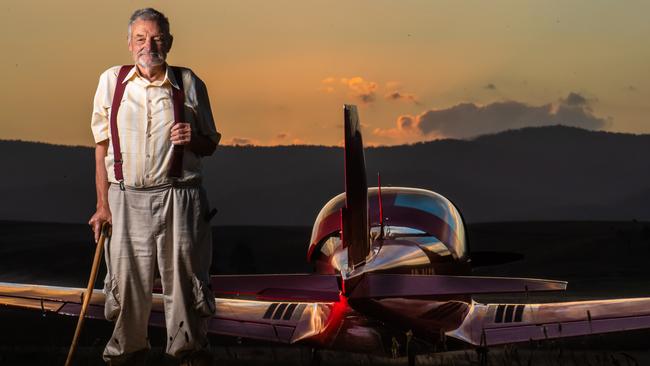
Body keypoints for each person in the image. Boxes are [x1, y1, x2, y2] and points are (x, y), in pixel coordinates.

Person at [87, 8, 220, 365]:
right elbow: (102, 148)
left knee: (185, 286)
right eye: (142, 38)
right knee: (126, 287)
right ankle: (126, 356)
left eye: (158, 37)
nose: (150, 45)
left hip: (180, 197)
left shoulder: (189, 82)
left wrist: (194, 139)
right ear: (129, 43)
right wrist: (102, 205)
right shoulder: (111, 82)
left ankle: (188, 356)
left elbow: (211, 142)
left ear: (170, 42)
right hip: (126, 197)